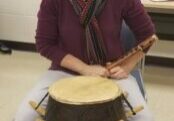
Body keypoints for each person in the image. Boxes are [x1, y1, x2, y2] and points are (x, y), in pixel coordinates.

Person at [14, 0, 157, 121]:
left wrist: (126, 67)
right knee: (23, 116)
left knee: (144, 117)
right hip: (65, 72)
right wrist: (84, 69)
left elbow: (148, 37)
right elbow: (45, 44)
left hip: (110, 73)